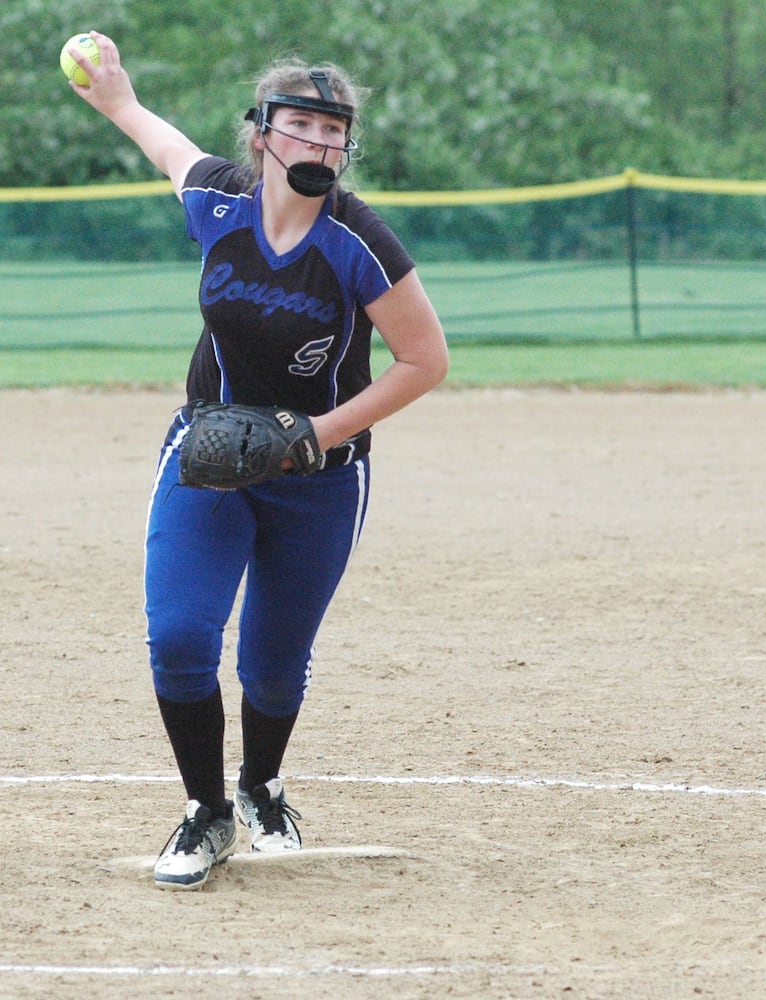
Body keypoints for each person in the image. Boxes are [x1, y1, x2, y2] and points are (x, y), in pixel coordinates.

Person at [67, 33, 449, 888]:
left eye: (333, 130)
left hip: (320, 477)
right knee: (178, 639)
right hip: (209, 453)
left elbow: (426, 361)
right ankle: (207, 814)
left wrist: (314, 436)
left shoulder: (360, 242)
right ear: (263, 134)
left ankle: (260, 784)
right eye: (301, 124)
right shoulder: (217, 202)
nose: (319, 143)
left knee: (273, 666)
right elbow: (160, 141)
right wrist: (119, 98)